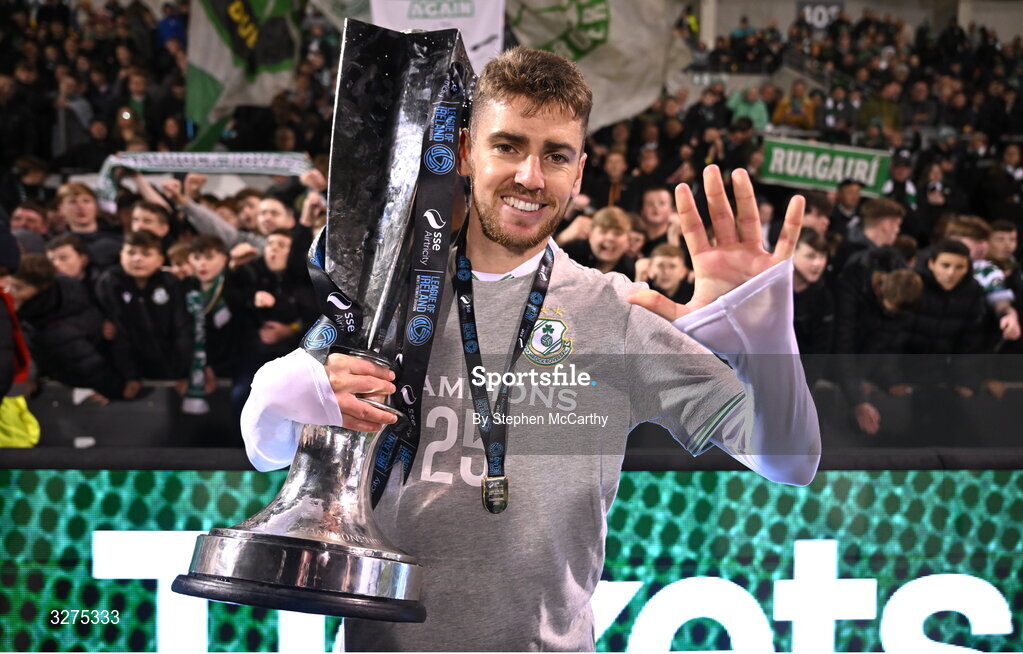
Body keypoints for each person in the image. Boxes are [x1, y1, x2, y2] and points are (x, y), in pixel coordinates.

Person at [240, 47, 820, 651]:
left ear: (579, 170)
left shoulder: (617, 313)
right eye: (508, 146)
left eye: (556, 155)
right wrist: (282, 383)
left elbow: (790, 461)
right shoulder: (387, 294)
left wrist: (766, 340)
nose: (530, 177)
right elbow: (270, 448)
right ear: (466, 150)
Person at [94, 229, 191, 399]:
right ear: (121, 255)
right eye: (131, 253)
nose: (137, 259)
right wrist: (129, 376)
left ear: (160, 259)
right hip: (126, 374)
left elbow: (182, 329)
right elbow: (117, 333)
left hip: (171, 371)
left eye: (146, 254)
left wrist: (184, 373)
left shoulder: (171, 283)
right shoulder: (109, 282)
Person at [561, 206, 635, 278]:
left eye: (617, 233)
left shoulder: (634, 271)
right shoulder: (572, 254)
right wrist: (561, 239)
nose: (610, 238)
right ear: (590, 234)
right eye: (603, 231)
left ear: (628, 239)